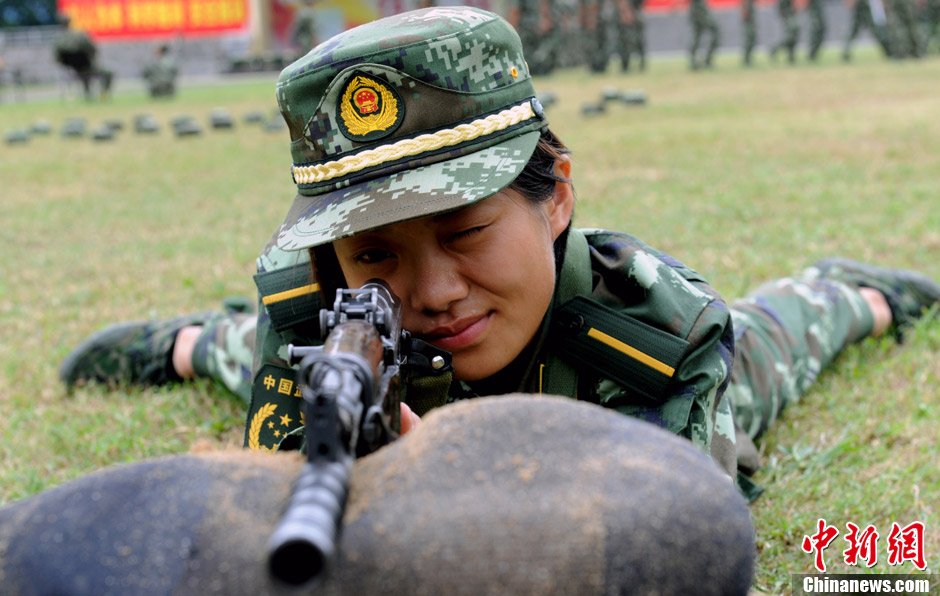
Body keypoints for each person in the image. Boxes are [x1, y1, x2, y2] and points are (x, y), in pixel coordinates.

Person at [59, 6, 940, 503]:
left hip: (619, 358)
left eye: (466, 231)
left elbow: (667, 539)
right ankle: (181, 341)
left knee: (777, 341)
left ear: (555, 195)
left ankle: (848, 291)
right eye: (376, 256)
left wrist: (447, 483)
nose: (434, 290)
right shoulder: (318, 310)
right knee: (228, 351)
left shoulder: (654, 340)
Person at [53, 14, 113, 100]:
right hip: (87, 66)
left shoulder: (58, 41)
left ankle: (87, 95)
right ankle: (104, 94)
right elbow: (92, 49)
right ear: (70, 22)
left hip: (71, 69)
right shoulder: (81, 35)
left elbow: (57, 58)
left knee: (84, 70)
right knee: (108, 72)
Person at [686, 0, 721, 69]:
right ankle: (703, 61)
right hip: (698, 9)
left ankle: (699, 61)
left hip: (698, 9)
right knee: (715, 32)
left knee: (697, 37)